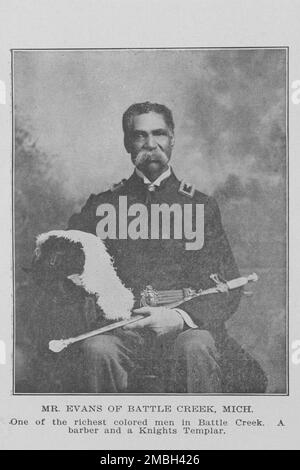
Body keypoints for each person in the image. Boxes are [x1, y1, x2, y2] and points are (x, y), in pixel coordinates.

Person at [68, 101, 267, 394]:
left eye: (159, 133)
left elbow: (227, 286)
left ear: (172, 138)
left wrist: (179, 318)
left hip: (185, 328)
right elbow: (71, 280)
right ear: (127, 143)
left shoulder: (201, 206)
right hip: (122, 330)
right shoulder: (102, 206)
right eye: (140, 136)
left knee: (196, 347)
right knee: (97, 350)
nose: (151, 144)